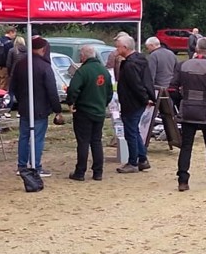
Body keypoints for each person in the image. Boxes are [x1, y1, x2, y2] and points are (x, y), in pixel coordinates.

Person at [169, 38, 206, 191]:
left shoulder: (182, 65)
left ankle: (183, 179)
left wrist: (180, 102)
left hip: (188, 108)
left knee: (186, 145)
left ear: (196, 49)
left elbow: (172, 89)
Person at [10, 36, 63, 177]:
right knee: (37, 138)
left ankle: (21, 166)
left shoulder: (20, 64)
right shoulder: (45, 66)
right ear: (43, 49)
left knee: (24, 137)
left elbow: (13, 86)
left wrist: (20, 100)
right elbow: (52, 90)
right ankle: (36, 166)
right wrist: (57, 110)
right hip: (40, 109)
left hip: (24, 107)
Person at [64, 44, 113, 181]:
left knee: (83, 142)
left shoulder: (82, 71)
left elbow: (73, 89)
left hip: (84, 111)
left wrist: (70, 102)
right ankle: (98, 172)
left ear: (83, 56)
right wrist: (103, 104)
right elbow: (109, 92)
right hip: (99, 111)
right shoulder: (104, 71)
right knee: (96, 141)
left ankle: (80, 172)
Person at [114, 34, 155, 173]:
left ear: (125, 47)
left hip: (131, 102)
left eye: (118, 46)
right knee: (134, 130)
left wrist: (144, 98)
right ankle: (142, 159)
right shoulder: (140, 60)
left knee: (130, 132)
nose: (116, 49)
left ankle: (133, 162)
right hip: (137, 101)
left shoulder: (130, 64)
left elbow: (136, 85)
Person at [0, 26, 17, 91]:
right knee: (4, 90)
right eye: (14, 33)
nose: (15, 35)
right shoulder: (9, 43)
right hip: (5, 69)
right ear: (10, 32)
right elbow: (11, 57)